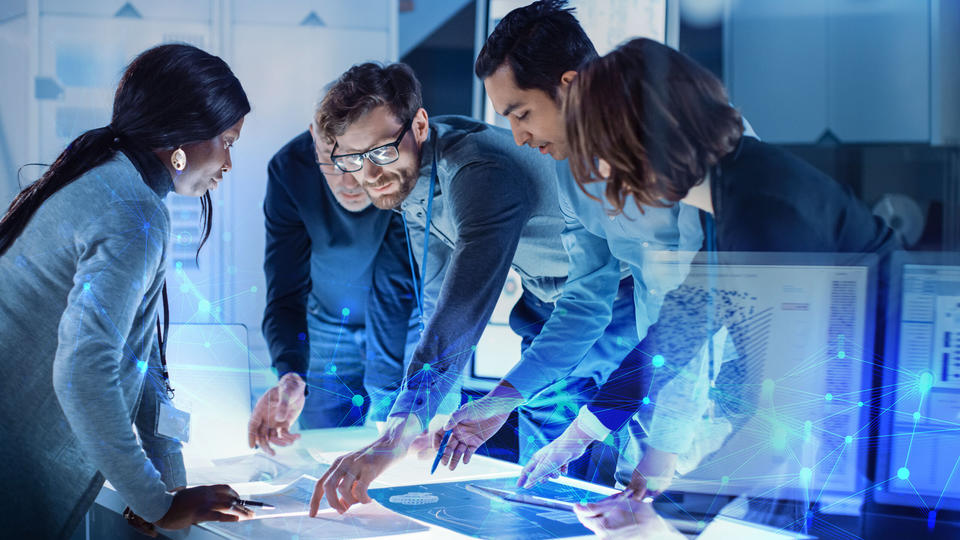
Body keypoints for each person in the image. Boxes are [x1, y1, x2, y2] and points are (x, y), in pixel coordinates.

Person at [561, 37, 898, 534]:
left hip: (881, 445)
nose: (603, 175)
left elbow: (783, 420)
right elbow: (683, 322)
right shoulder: (735, 189)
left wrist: (663, 516)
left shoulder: (763, 212)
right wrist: (587, 427)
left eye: (601, 154)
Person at [306, 61, 660, 516]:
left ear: (419, 125)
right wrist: (429, 417)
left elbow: (466, 304)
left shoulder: (479, 172)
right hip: (546, 301)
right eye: (352, 160)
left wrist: (398, 433)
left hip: (617, 299)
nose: (368, 176)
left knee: (602, 449)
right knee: (540, 465)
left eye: (380, 153)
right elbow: (437, 297)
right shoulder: (407, 178)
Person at [445, 0, 744, 492]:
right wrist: (505, 398)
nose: (518, 139)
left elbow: (700, 313)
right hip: (655, 379)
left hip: (733, 384)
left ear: (569, 86)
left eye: (521, 114)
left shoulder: (692, 142)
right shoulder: (569, 169)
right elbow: (583, 305)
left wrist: (602, 436)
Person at [0, 44, 253, 538]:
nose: (228, 162)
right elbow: (82, 373)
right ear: (183, 137)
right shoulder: (132, 210)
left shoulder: (111, 180)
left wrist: (167, 488)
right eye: (227, 140)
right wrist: (156, 501)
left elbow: (142, 365)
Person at [247, 95, 416, 454]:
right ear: (313, 138)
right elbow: (284, 291)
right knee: (319, 453)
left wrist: (386, 392)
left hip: (405, 325)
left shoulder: (402, 163)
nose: (349, 181)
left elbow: (395, 287)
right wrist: (291, 374)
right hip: (324, 332)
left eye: (357, 159)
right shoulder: (290, 169)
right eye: (332, 160)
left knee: (401, 451)